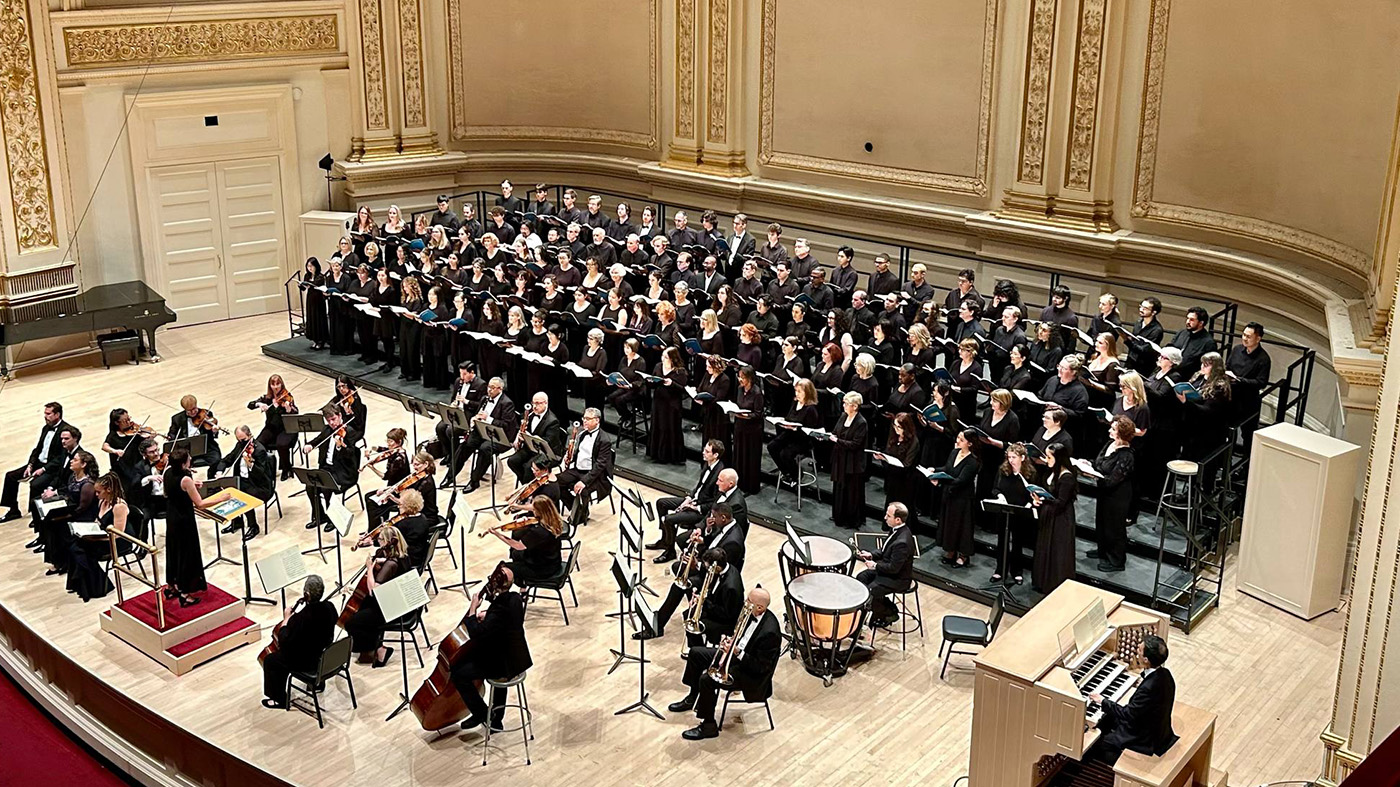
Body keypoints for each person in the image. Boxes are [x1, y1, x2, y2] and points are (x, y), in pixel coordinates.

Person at [669, 587, 782, 741]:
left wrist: (737, 652)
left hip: (750, 674)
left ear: (760, 608)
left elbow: (761, 668)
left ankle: (709, 726)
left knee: (707, 680)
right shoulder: (751, 613)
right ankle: (692, 697)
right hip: (736, 656)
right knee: (695, 653)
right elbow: (741, 635)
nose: (745, 603)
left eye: (748, 601)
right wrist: (730, 641)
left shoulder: (770, 632)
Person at [451, 564, 533, 733]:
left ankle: (484, 715)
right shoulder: (515, 599)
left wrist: (473, 608)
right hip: (517, 656)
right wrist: (488, 614)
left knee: (458, 673)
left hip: (504, 663)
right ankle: (496, 718)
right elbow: (503, 618)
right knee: (476, 660)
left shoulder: (499, 608)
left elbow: (476, 632)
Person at [1088, 634, 1178, 765]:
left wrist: (1102, 700)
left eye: (1140, 650)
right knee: (1106, 719)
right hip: (1157, 727)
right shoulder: (1165, 674)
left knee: (1100, 744)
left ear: (1146, 659)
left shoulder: (1148, 688)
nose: (1137, 650)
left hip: (1145, 738)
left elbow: (1128, 714)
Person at [637, 543, 744, 649]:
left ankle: (697, 651)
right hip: (715, 604)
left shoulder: (731, 587)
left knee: (690, 620)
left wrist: (703, 602)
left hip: (725, 622)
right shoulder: (724, 568)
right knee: (688, 610)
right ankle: (694, 649)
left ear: (718, 568)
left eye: (707, 567)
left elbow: (726, 614)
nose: (706, 569)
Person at [164, 447, 233, 606]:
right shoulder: (186, 479)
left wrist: (191, 486)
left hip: (172, 516)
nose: (191, 460)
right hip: (184, 519)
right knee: (187, 554)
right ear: (183, 464)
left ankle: (171, 586)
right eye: (188, 459)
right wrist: (221, 498)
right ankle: (185, 593)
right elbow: (200, 504)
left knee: (174, 551)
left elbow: (169, 492)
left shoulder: (168, 471)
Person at [260, 575, 338, 710]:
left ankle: (279, 700)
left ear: (306, 594)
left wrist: (286, 619)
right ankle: (319, 684)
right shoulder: (330, 607)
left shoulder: (301, 619)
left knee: (271, 660)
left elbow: (284, 640)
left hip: (306, 662)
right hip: (324, 657)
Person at [344, 525, 412, 668]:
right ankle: (371, 643)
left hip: (389, 608)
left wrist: (369, 568)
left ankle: (380, 649)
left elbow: (373, 591)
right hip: (398, 599)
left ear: (388, 541)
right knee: (362, 608)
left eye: (380, 539)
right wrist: (379, 561)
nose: (378, 542)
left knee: (351, 622)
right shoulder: (402, 556)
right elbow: (390, 564)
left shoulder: (391, 564)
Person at [650, 440, 724, 562]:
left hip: (700, 511)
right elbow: (699, 487)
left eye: (707, 451)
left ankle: (670, 551)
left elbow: (715, 503)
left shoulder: (719, 474)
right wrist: (689, 499)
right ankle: (665, 539)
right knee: (661, 503)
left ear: (715, 455)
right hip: (694, 501)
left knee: (669, 519)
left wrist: (695, 507)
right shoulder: (708, 464)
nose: (703, 452)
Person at [2, 401, 70, 522]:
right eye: (45, 413)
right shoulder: (45, 428)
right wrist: (30, 465)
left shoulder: (65, 431)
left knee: (36, 484)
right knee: (10, 476)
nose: (45, 416)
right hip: (38, 463)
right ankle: (13, 510)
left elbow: (60, 458)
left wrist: (43, 469)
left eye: (48, 414)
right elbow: (37, 449)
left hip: (51, 468)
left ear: (57, 415)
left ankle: (36, 515)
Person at [37, 449, 99, 578]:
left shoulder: (88, 484)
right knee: (49, 523)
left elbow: (82, 508)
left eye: (75, 460)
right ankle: (59, 561)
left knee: (57, 525)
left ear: (83, 465)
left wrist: (64, 517)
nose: (71, 461)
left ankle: (63, 562)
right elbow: (68, 495)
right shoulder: (72, 476)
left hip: (84, 517)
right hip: (72, 510)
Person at [301, 407, 361, 532]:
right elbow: (318, 439)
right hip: (327, 468)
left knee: (326, 486)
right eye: (329, 421)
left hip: (344, 471)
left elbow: (351, 455)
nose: (332, 423)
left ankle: (333, 518)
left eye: (333, 419)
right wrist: (310, 445)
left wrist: (341, 447)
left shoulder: (349, 432)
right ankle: (319, 516)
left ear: (339, 416)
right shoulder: (327, 429)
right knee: (310, 486)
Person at [1089, 417, 1137, 573]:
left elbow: (1112, 480)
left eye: (1113, 429)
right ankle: (1103, 551)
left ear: (1121, 433)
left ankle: (1117, 560)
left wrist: (1095, 475)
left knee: (1114, 527)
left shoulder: (1126, 456)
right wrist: (1088, 466)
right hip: (1104, 491)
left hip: (1118, 495)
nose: (1109, 430)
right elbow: (1099, 463)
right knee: (1102, 522)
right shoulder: (1110, 444)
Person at [857, 503, 915, 628]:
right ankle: (883, 608)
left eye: (888, 516)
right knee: (861, 579)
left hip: (898, 578)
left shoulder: (902, 542)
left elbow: (894, 568)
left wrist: (875, 566)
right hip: (887, 571)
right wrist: (871, 555)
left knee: (869, 593)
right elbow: (885, 551)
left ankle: (890, 612)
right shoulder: (896, 530)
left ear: (898, 520)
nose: (885, 518)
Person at [1030, 442, 1078, 594]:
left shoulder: (1067, 477)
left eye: (1049, 457)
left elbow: (1061, 502)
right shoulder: (1050, 471)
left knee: (1057, 550)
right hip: (1049, 514)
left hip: (1061, 518)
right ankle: (1042, 581)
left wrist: (1044, 499)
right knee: (1044, 546)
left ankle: (1055, 585)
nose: (1046, 459)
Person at [212, 425, 273, 540]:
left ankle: (253, 526)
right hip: (243, 481)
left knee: (243, 496)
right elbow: (227, 459)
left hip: (259, 485)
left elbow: (260, 474)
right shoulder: (240, 446)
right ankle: (237, 521)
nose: (241, 442)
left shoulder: (259, 450)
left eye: (243, 440)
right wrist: (220, 471)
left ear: (249, 435)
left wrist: (251, 464)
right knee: (228, 491)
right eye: (238, 440)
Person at [460, 377, 519, 492]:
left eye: (492, 388)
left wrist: (488, 418)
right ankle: (451, 474)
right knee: (467, 443)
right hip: (485, 431)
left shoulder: (507, 403)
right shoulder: (484, 399)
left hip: (502, 437)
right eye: (489, 387)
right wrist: (475, 419)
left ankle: (474, 481)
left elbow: (506, 425)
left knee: (485, 448)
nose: (489, 390)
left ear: (500, 389)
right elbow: (478, 414)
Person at [555, 408, 615, 520]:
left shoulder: (604, 440)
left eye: (588, 419)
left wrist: (584, 481)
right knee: (556, 482)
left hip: (595, 475)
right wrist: (568, 459)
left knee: (583, 489)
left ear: (597, 420)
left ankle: (581, 515)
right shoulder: (582, 434)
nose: (584, 421)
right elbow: (577, 454)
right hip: (578, 469)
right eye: (584, 418)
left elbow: (600, 466)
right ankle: (577, 510)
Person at [494, 495, 564, 584]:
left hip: (542, 569)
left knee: (503, 570)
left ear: (540, 511)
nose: (533, 511)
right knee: (515, 554)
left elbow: (518, 546)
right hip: (553, 562)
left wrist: (497, 534)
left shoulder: (539, 532)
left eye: (534, 510)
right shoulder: (555, 520)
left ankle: (517, 587)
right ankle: (522, 586)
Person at [991, 443, 1035, 584]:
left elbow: (1033, 494)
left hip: (1020, 512)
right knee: (1002, 541)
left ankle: (1017, 571)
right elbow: (996, 489)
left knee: (1017, 543)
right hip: (1005, 510)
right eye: (1009, 457)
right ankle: (1000, 570)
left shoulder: (1030, 473)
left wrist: (1029, 504)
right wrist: (1000, 497)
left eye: (1014, 457)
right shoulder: (1003, 470)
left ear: (1022, 458)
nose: (1011, 460)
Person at [935, 430, 979, 568]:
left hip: (963, 499)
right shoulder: (954, 452)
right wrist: (934, 471)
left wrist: (940, 481)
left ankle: (963, 556)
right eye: (958, 437)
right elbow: (948, 469)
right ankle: (951, 551)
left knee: (961, 526)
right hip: (950, 494)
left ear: (970, 443)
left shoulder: (973, 461)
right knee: (949, 524)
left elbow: (961, 480)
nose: (957, 440)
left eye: (961, 439)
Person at [1227, 321, 1272, 450]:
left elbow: (1261, 382)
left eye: (1248, 336)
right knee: (1228, 430)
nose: (1244, 339)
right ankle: (1225, 462)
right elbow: (1228, 366)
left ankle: (1246, 467)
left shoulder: (1263, 359)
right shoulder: (1236, 350)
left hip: (1248, 402)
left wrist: (1240, 380)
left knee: (1248, 435)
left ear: (1258, 338)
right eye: (1244, 335)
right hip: (1232, 397)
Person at [506, 393, 566, 486]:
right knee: (512, 461)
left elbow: (547, 442)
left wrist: (533, 438)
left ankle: (529, 491)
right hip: (531, 448)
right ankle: (529, 487)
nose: (534, 406)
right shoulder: (530, 415)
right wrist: (521, 437)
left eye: (538, 403)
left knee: (529, 467)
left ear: (545, 403)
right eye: (533, 403)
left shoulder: (553, 421)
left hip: (548, 453)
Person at [828, 392, 870, 527]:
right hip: (840, 459)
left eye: (847, 403)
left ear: (855, 406)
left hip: (853, 462)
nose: (844, 405)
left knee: (851, 491)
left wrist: (837, 440)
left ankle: (851, 520)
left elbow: (856, 444)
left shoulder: (861, 422)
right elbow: (835, 432)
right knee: (840, 487)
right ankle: (838, 516)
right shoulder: (843, 416)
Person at [769, 378, 822, 481]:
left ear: (807, 392)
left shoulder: (811, 409)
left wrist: (795, 429)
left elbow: (809, 432)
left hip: (802, 440)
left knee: (785, 454)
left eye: (799, 391)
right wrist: (783, 422)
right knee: (772, 447)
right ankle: (786, 472)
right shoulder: (795, 403)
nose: (796, 394)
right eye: (796, 391)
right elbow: (789, 418)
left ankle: (796, 475)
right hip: (789, 434)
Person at [248, 374, 299, 479]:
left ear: (281, 384)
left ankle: (286, 468)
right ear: (270, 386)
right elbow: (250, 405)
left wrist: (288, 410)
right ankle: (266, 468)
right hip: (271, 428)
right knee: (258, 444)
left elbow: (295, 412)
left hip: (286, 429)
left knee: (282, 444)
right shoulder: (266, 399)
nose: (276, 387)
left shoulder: (287, 397)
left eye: (278, 384)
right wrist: (259, 405)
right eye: (273, 384)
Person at [648, 347, 689, 464]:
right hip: (658, 401)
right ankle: (656, 453)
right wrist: (650, 382)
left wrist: (672, 384)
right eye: (662, 356)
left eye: (666, 357)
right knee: (658, 426)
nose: (663, 359)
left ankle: (670, 455)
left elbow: (682, 389)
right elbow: (652, 383)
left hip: (672, 405)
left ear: (672, 359)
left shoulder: (680, 371)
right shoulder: (658, 366)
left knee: (669, 428)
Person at [165, 394, 223, 473]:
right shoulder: (177, 419)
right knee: (177, 463)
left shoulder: (206, 414)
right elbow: (172, 434)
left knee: (216, 459)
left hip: (206, 445)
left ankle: (212, 478)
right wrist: (170, 437)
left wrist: (214, 432)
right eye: (189, 411)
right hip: (187, 449)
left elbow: (211, 434)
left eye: (194, 409)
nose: (193, 412)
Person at [1168, 306, 1218, 379]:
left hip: (1187, 378)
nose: (1187, 322)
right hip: (1170, 372)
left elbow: (1206, 367)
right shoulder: (1181, 333)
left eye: (1192, 320)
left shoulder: (1208, 343)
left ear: (1201, 323)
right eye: (1187, 318)